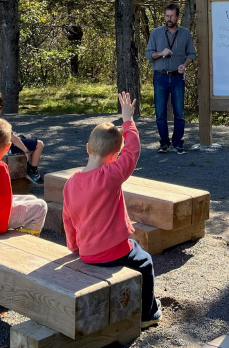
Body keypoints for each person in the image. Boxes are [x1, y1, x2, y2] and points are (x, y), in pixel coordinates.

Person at [63, 91, 161, 328]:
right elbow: (133, 151)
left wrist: (75, 247)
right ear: (114, 156)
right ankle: (148, 314)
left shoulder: (70, 183)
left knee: (135, 249)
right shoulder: (111, 175)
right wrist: (128, 120)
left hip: (86, 252)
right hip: (113, 252)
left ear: (88, 148)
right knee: (145, 261)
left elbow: (68, 220)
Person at [144, 2, 196, 154]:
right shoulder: (156, 33)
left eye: (172, 16)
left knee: (179, 113)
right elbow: (149, 54)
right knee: (160, 113)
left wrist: (185, 65)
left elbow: (191, 54)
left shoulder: (185, 33)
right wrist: (160, 53)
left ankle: (178, 143)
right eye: (167, 15)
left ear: (178, 17)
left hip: (177, 77)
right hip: (160, 77)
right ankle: (164, 143)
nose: (169, 18)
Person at [0, 89, 45, 183]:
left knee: (26, 136)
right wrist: (25, 151)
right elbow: (13, 138)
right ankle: (33, 170)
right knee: (39, 144)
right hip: (4, 148)